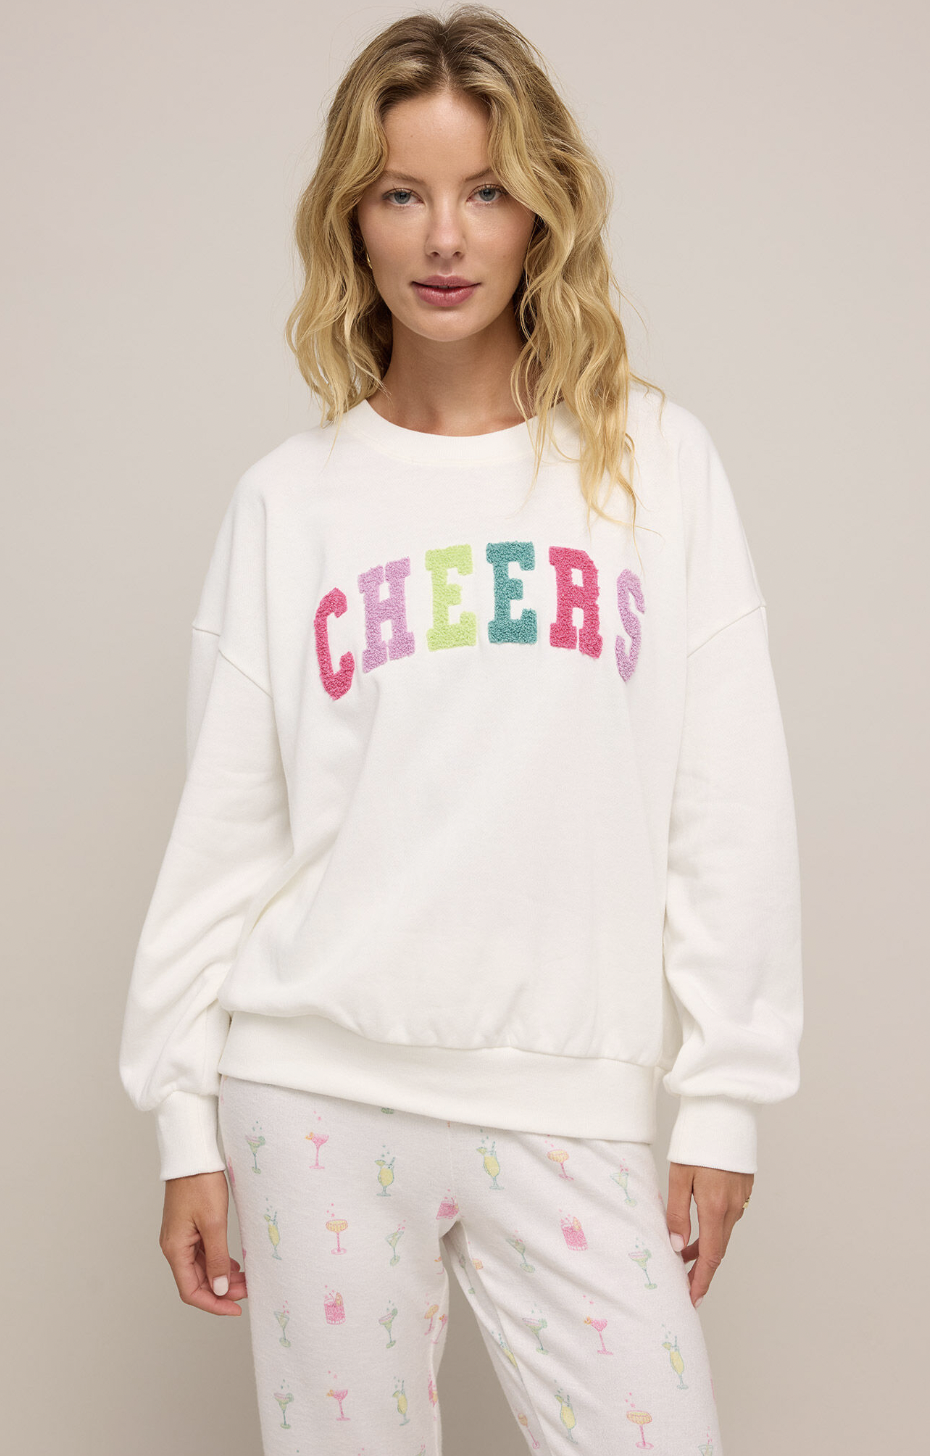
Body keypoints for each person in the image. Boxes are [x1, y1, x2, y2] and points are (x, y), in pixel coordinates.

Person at [118, 6, 803, 1453]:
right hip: (312, 1097)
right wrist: (181, 1121)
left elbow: (727, 799)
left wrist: (724, 1099)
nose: (444, 238)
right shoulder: (289, 502)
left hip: (569, 1099)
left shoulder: (652, 468)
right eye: (401, 194)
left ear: (541, 211)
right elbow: (225, 834)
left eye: (485, 191)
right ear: (349, 220)